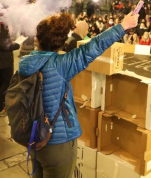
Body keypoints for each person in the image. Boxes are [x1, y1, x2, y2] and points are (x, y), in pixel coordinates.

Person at [18, 11, 138, 178]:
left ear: (37, 40)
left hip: (33, 138)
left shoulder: (25, 63)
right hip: (57, 142)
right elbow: (94, 46)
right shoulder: (60, 64)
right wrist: (123, 26)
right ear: (61, 43)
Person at [0, 11, 21, 116]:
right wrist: (16, 45)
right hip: (3, 60)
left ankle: (1, 105)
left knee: (1, 83)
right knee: (6, 83)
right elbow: (3, 45)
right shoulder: (0, 25)